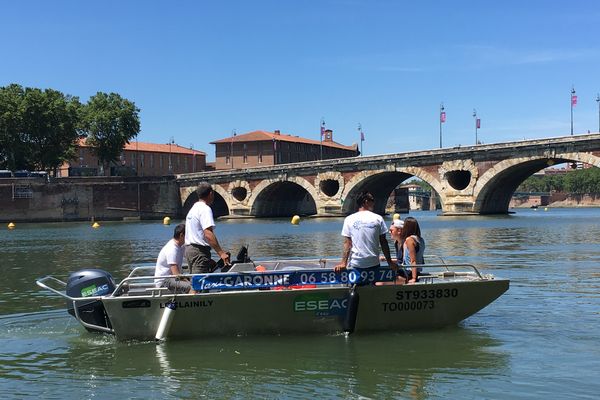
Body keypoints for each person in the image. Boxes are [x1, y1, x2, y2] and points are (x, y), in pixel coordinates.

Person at [334, 191, 398, 281]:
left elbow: (347, 243)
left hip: (357, 263)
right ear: (366, 201)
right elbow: (383, 242)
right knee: (373, 289)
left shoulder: (349, 219)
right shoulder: (378, 218)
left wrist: (343, 263)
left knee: (355, 288)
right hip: (373, 263)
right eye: (372, 200)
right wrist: (389, 262)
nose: (374, 202)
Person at [184, 182, 230, 274]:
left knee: (195, 281)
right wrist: (221, 253)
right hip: (199, 251)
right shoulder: (205, 209)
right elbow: (208, 233)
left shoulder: (193, 208)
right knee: (200, 284)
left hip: (189, 250)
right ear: (211, 193)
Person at [155, 223, 193, 294]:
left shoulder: (180, 247)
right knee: (191, 287)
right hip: (164, 281)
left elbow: (190, 255)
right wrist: (187, 281)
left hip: (171, 278)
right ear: (182, 235)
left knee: (193, 281)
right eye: (188, 236)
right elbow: (175, 273)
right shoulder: (172, 249)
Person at [400, 217, 425, 284]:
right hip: (417, 271)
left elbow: (413, 260)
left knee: (381, 282)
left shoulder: (409, 240)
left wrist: (414, 278)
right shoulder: (421, 239)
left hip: (409, 272)